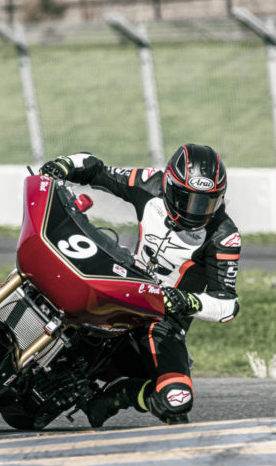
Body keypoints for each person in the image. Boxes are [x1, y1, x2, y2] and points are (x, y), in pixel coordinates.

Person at [39, 144, 241, 427]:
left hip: (162, 318)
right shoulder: (149, 182)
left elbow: (229, 304)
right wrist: (64, 166)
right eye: (188, 199)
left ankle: (117, 395)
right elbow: (97, 169)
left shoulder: (225, 237)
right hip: (122, 283)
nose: (196, 212)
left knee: (176, 399)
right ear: (169, 186)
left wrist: (189, 301)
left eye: (206, 203)